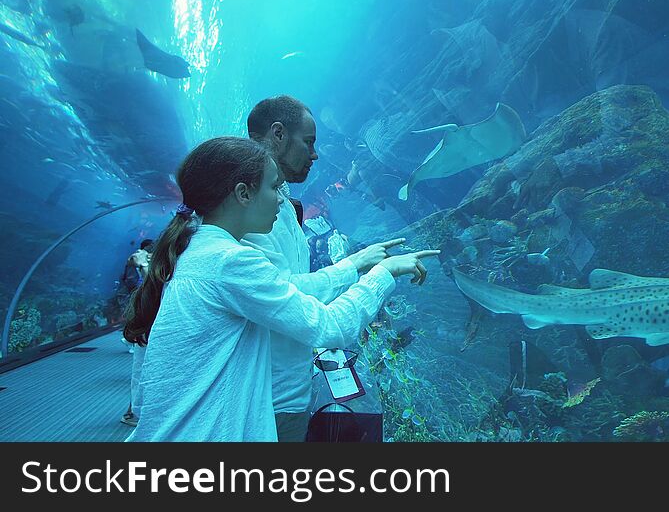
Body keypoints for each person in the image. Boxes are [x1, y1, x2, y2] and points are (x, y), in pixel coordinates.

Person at [123, 136, 438, 441]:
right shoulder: (231, 262)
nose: (282, 199)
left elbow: (288, 295)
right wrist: (385, 272)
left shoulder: (196, 251)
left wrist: (352, 265)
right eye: (275, 187)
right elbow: (329, 326)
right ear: (243, 194)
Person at [244, 95, 426, 441]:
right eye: (309, 142)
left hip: (287, 386)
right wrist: (381, 273)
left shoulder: (279, 201)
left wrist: (354, 263)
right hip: (270, 396)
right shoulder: (251, 211)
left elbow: (286, 288)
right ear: (278, 134)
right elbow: (313, 316)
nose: (315, 154)